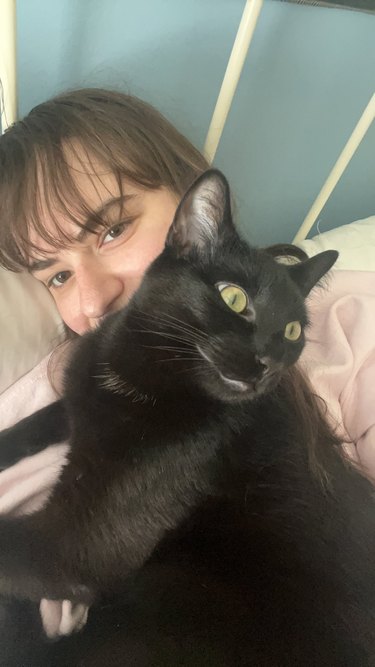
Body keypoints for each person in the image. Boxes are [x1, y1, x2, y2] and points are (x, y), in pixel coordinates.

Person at [0, 87, 375, 645]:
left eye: (113, 230)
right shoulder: (53, 375)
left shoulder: (346, 316)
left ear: (192, 217)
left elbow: (77, 558)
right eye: (56, 276)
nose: (92, 302)